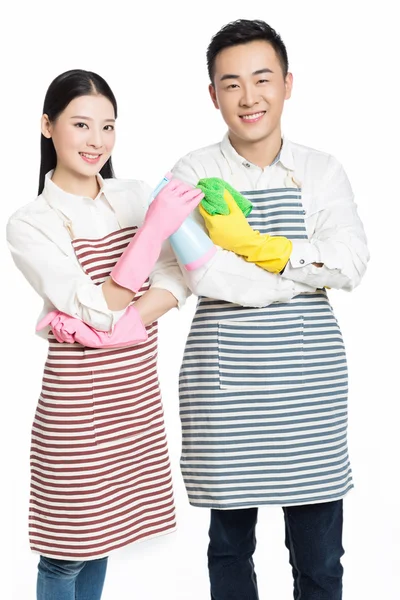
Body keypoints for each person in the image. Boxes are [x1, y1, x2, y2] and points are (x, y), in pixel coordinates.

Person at [171, 19, 369, 600]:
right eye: (231, 84)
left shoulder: (321, 170)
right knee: (229, 549)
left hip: (307, 387)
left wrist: (259, 247)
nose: (248, 97)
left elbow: (352, 263)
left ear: (287, 83)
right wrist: (299, 271)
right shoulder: (193, 173)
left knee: (320, 559)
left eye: (262, 79)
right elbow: (201, 272)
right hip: (226, 382)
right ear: (213, 95)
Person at [6, 68, 206, 600]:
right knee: (66, 555)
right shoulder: (32, 222)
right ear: (47, 127)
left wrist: (130, 324)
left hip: (133, 401)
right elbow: (97, 305)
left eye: (107, 127)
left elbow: (180, 276)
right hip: (78, 413)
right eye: (80, 125)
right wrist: (150, 238)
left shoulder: (135, 195)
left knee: (102, 542)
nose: (96, 141)